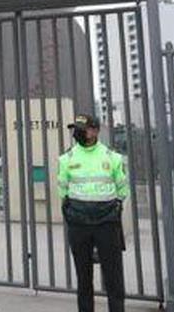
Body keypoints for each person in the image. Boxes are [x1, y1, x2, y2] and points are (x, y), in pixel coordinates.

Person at [58, 114, 128, 312]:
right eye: (76, 128)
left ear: (95, 131)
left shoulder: (111, 157)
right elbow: (62, 190)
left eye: (83, 128)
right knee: (83, 278)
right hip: (79, 224)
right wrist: (71, 212)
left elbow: (122, 190)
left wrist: (114, 207)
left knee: (113, 277)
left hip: (106, 223)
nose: (78, 132)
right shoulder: (66, 159)